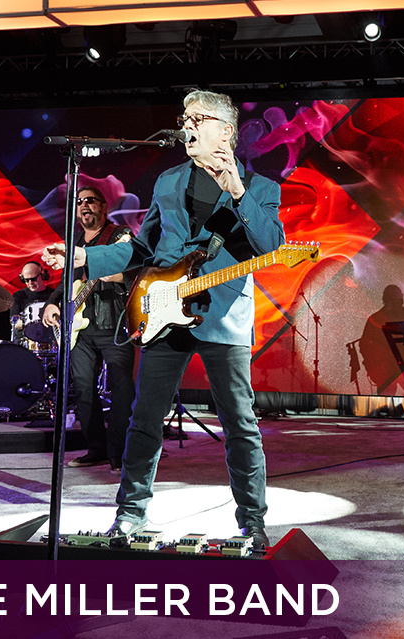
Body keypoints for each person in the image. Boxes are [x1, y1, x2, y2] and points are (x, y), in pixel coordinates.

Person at [43, 90, 284, 548]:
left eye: (198, 119)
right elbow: (142, 249)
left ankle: (252, 522)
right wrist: (84, 258)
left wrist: (237, 190)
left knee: (239, 424)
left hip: (223, 317)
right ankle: (130, 514)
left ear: (225, 132)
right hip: (162, 313)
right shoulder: (169, 181)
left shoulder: (260, 188)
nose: (187, 125)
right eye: (185, 117)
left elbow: (270, 245)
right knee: (145, 419)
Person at [42, 186, 136, 472]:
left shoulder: (119, 236)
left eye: (90, 201)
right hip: (80, 331)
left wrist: (114, 275)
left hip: (114, 324)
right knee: (83, 390)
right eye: (80, 201)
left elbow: (136, 271)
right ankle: (96, 449)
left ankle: (118, 452)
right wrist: (52, 303)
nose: (84, 205)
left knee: (121, 390)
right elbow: (65, 283)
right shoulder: (73, 243)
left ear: (103, 207)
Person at [9, 260, 55, 344]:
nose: (30, 283)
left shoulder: (53, 295)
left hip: (50, 340)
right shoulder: (19, 296)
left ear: (42, 275)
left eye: (33, 279)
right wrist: (19, 322)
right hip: (26, 341)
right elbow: (15, 323)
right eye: (26, 280)